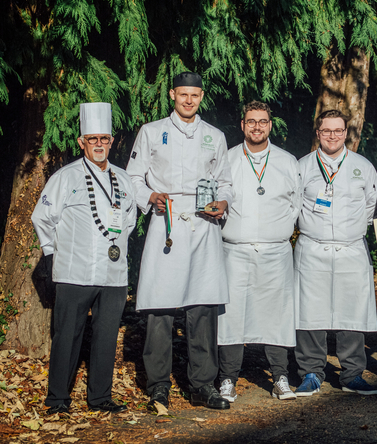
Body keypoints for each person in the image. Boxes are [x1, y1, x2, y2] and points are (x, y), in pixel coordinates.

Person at [126, 72, 233, 410]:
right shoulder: (152, 132)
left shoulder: (214, 136)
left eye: (195, 95)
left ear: (202, 96)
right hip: (166, 221)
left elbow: (225, 181)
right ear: (172, 94)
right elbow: (132, 177)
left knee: (202, 306)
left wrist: (224, 203)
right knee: (160, 306)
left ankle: (202, 385)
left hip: (203, 224)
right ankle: (158, 386)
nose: (189, 101)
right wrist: (150, 195)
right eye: (183, 94)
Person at [32, 102, 137, 414]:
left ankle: (100, 398)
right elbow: (42, 218)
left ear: (112, 141)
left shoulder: (123, 178)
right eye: (93, 140)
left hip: (113, 272)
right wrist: (51, 254)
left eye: (105, 139)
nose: (99, 145)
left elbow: (129, 221)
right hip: (74, 270)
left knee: (106, 337)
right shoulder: (65, 177)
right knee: (67, 336)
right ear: (81, 142)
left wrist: (115, 245)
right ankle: (58, 400)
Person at [216, 101, 301, 402]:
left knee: (276, 315)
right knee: (231, 315)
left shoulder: (287, 161)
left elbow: (296, 205)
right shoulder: (225, 160)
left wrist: (274, 232)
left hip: (275, 252)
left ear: (270, 125)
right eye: (251, 121)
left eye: (262, 121)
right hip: (234, 250)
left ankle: (280, 377)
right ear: (242, 125)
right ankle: (227, 379)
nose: (257, 127)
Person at [294, 110, 377, 397]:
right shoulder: (302, 166)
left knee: (351, 311)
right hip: (313, 248)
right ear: (317, 133)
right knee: (310, 312)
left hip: (350, 248)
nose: (333, 135)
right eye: (326, 130)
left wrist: (349, 229)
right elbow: (293, 205)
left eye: (338, 130)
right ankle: (310, 372)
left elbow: (371, 206)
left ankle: (352, 373)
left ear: (347, 133)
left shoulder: (363, 166)